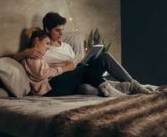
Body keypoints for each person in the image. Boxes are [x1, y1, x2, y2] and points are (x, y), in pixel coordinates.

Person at [13, 12, 151, 96]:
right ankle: (126, 88)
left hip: (77, 74)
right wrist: (26, 52)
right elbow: (15, 59)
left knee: (104, 57)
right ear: (47, 29)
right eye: (57, 30)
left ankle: (133, 84)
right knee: (85, 89)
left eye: (62, 30)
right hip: (64, 80)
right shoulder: (40, 48)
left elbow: (74, 64)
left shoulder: (66, 46)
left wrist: (82, 62)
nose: (61, 33)